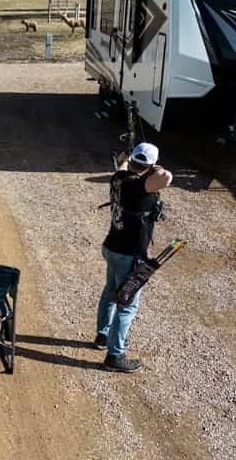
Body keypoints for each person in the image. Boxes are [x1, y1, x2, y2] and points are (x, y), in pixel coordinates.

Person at [94, 142, 172, 373]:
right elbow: (166, 178)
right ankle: (114, 356)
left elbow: (123, 166)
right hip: (128, 255)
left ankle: (103, 335)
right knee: (126, 304)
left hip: (112, 248)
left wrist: (127, 159)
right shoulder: (140, 187)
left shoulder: (119, 178)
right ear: (150, 165)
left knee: (110, 292)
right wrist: (156, 168)